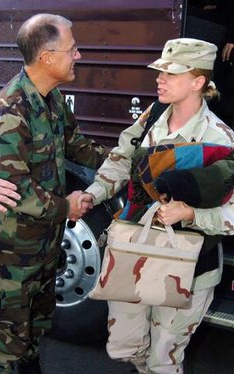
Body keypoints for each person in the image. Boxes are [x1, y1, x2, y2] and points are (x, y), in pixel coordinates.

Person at [80, 38, 234, 373]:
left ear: (198, 82)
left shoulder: (220, 139)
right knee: (125, 346)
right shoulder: (154, 116)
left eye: (171, 72)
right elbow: (122, 157)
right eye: (160, 70)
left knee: (164, 361)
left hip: (187, 270)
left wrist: (191, 212)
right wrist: (94, 192)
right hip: (134, 255)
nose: (159, 78)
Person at [0, 13, 108, 374]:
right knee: (4, 349)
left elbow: (81, 149)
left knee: (34, 335)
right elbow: (17, 191)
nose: (78, 55)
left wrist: (127, 164)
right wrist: (66, 205)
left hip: (43, 251)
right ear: (46, 58)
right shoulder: (9, 110)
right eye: (72, 49)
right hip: (9, 259)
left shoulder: (53, 100)